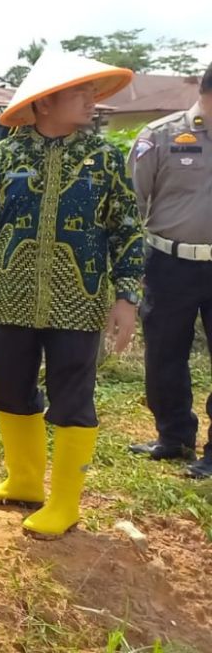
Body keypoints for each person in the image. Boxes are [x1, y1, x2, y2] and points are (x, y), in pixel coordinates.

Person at [0, 49, 144, 538]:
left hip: (78, 300)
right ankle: (23, 481)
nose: (90, 100)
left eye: (91, 92)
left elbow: (126, 228)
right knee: (8, 388)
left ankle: (65, 502)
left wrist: (126, 296)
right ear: (44, 102)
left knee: (72, 399)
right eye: (79, 91)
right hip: (12, 297)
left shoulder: (104, 159)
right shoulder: (3, 157)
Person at [128, 60, 212, 479]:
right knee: (164, 356)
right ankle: (174, 436)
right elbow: (135, 200)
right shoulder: (160, 136)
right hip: (169, 262)